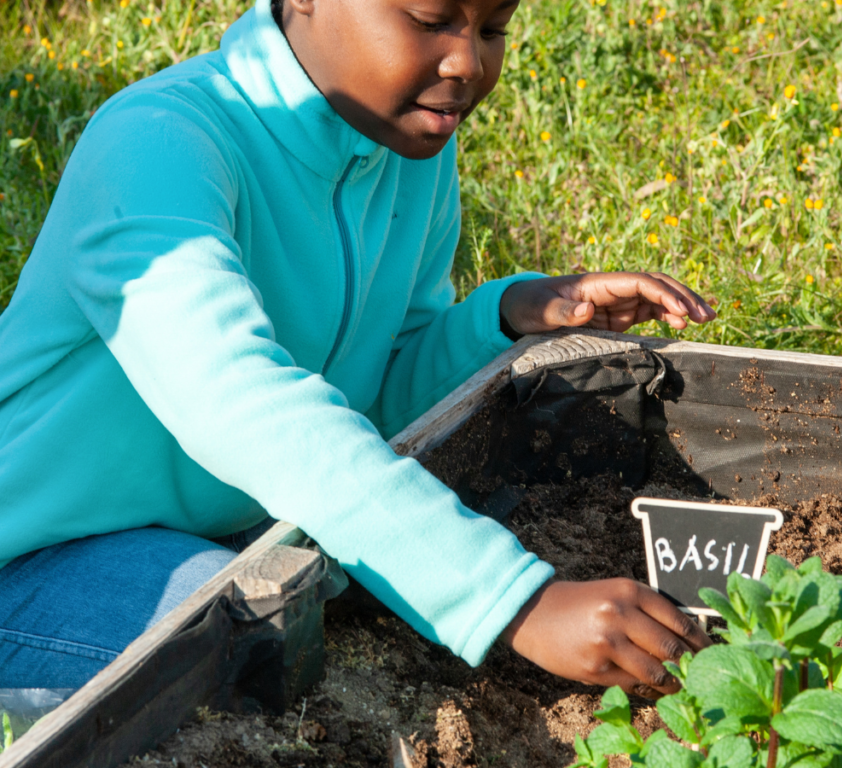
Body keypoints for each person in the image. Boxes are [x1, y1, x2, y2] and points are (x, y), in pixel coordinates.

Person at [0, 0, 716, 701]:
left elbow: (372, 395)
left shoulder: (403, 147)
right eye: (431, 21)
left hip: (219, 528)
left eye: (493, 26)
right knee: (246, 648)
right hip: (33, 556)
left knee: (309, 611)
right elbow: (240, 402)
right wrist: (514, 601)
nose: (467, 61)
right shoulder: (156, 146)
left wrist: (499, 319)